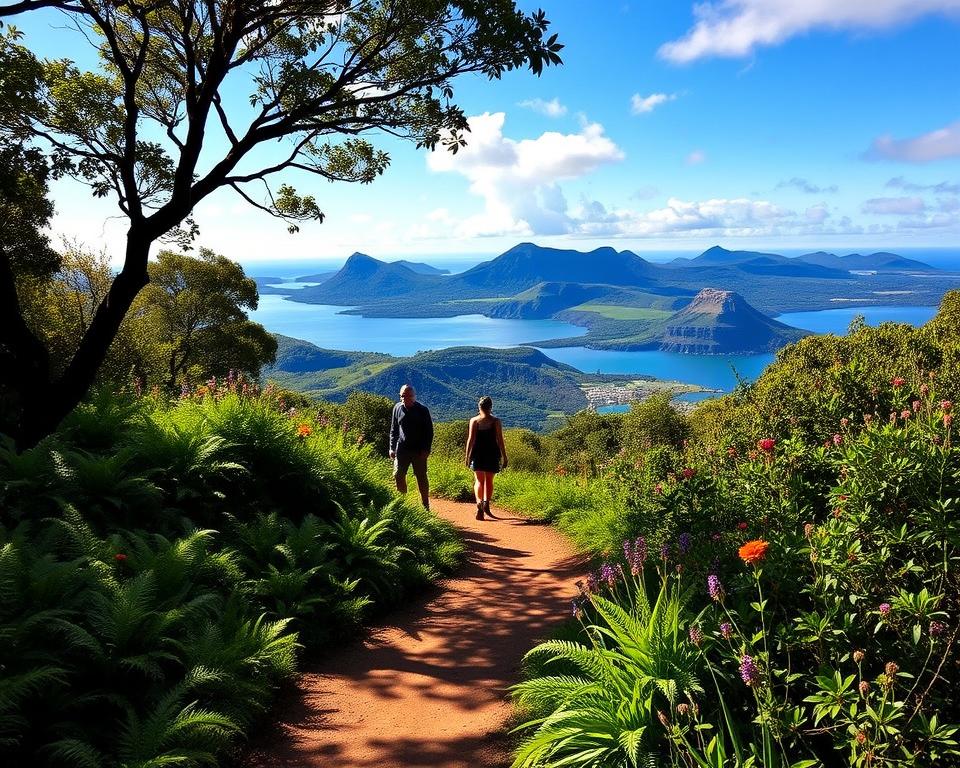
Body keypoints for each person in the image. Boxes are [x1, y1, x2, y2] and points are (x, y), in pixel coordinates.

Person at [389, 384, 433, 510]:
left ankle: (425, 505)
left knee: (421, 476)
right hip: (401, 449)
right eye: (402, 396)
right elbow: (394, 430)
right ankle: (403, 503)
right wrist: (392, 448)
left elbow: (429, 432)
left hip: (419, 451)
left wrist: (426, 449)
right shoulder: (397, 408)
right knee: (398, 474)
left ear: (414, 396)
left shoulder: (422, 410)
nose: (405, 398)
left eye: (408, 396)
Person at [464, 395, 508, 520]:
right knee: (489, 481)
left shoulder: (474, 421)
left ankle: (479, 503)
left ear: (479, 407)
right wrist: (504, 456)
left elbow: (470, 440)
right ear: (491, 407)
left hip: (477, 454)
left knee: (479, 480)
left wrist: (467, 456)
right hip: (492, 453)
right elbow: (500, 440)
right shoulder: (495, 421)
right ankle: (486, 504)